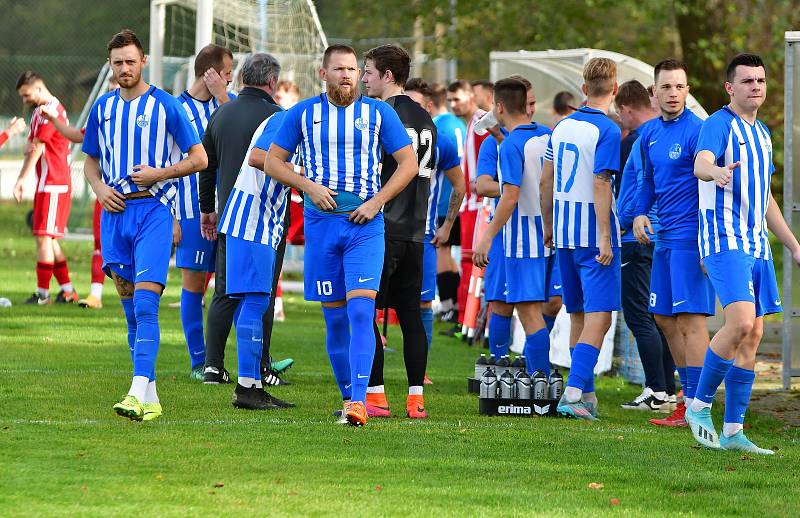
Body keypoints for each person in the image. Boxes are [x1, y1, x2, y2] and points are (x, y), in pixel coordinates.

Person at [264, 44, 416, 426]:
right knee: (334, 320)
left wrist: (377, 201)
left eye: (352, 69)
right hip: (321, 226)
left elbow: (408, 163)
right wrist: (308, 186)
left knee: (362, 310)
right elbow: (271, 161)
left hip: (365, 227)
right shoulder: (302, 113)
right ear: (323, 73)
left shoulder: (378, 112)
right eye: (340, 69)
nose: (347, 75)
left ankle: (360, 402)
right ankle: (348, 396)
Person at [82, 29, 207, 421]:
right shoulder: (102, 108)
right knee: (130, 312)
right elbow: (89, 160)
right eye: (117, 62)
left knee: (147, 304)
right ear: (110, 65)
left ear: (144, 62)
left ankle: (136, 389)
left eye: (130, 61)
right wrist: (100, 189)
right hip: (115, 215)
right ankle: (149, 396)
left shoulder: (167, 106)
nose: (124, 68)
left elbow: (199, 158)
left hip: (153, 211)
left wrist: (160, 173)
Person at [687, 53, 800, 454]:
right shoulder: (717, 125)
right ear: (729, 88)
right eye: (748, 80)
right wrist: (715, 172)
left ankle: (733, 431)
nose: (756, 86)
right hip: (723, 239)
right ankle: (698, 407)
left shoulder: (764, 134)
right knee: (739, 321)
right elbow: (701, 164)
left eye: (761, 80)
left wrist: (794, 245)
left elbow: (765, 198)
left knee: (753, 332)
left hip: (755, 244)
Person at [198, 53, 292, 387]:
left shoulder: (222, 112)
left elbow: (206, 165)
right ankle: (260, 368)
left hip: (228, 214)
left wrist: (207, 208)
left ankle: (212, 365)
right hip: (264, 216)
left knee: (224, 291)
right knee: (260, 293)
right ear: (272, 82)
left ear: (241, 79)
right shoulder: (279, 117)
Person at [632, 60, 715, 421]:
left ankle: (699, 404)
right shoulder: (648, 133)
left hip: (690, 239)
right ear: (654, 92)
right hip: (663, 237)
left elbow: (712, 188)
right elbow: (646, 181)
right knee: (663, 317)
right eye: (665, 87)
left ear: (688, 90)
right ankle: (685, 400)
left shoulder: (700, 131)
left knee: (691, 321)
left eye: (679, 87)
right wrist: (638, 213)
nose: (672, 93)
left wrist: (707, 240)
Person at [541, 57, 622, 420]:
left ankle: (585, 395)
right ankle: (573, 392)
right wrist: (606, 236)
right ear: (615, 90)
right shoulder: (607, 130)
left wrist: (547, 226)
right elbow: (601, 182)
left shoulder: (560, 127)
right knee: (600, 316)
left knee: (577, 314)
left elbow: (546, 181)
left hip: (564, 234)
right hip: (592, 233)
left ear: (584, 89)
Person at [360, 46, 438, 419]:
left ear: (388, 75)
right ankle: (415, 397)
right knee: (410, 316)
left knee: (365, 311)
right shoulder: (427, 119)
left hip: (384, 227)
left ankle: (375, 396)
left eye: (369, 72)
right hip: (415, 232)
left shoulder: (381, 114)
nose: (363, 79)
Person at [476, 76, 562, 360]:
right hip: (544, 234)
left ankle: (536, 381)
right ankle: (518, 370)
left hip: (524, 239)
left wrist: (486, 236)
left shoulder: (516, 143)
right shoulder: (543, 136)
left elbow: (510, 195)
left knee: (532, 312)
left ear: (499, 107)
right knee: (511, 305)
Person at [216, 111, 296, 410]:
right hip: (252, 218)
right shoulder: (289, 118)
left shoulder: (291, 119)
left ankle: (252, 384)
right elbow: (258, 156)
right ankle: (247, 388)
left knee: (253, 302)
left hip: (254, 218)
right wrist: (302, 175)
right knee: (256, 302)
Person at [613, 79, 679, 415]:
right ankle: (667, 388)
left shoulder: (642, 140)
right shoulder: (657, 136)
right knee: (660, 317)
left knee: (641, 316)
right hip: (656, 236)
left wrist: (624, 220)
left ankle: (657, 388)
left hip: (637, 238)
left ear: (626, 109)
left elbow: (640, 189)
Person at [175, 44, 234, 381]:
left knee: (232, 287)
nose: (229, 80)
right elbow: (165, 164)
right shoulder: (176, 109)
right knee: (195, 285)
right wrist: (171, 216)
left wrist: (223, 94)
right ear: (210, 72)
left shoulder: (227, 104)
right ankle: (199, 362)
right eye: (226, 73)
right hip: (189, 211)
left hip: (227, 211)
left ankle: (256, 361)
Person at [36, 76, 119, 310]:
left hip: (136, 196)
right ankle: (95, 295)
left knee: (131, 249)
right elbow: (77, 135)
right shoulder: (103, 115)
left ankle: (138, 296)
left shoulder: (142, 116)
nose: (113, 91)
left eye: (116, 88)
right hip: (105, 192)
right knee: (100, 244)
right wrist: (53, 119)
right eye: (111, 87)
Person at [404, 77, 464, 359]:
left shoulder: (440, 143)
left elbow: (460, 185)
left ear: (428, 107)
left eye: (417, 105)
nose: (410, 111)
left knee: (424, 302)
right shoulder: (386, 137)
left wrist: (448, 225)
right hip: (385, 232)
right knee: (370, 302)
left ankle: (420, 368)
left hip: (423, 236)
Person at [13, 71, 77, 305]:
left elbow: (38, 148)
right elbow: (31, 147)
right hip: (46, 183)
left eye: (26, 94)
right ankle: (68, 291)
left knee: (43, 238)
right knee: (48, 239)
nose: (24, 100)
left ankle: (43, 295)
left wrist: (21, 179)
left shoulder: (53, 111)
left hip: (55, 183)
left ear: (38, 89)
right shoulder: (40, 112)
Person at [447, 80, 489, 334]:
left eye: (458, 99)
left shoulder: (482, 122)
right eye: (450, 100)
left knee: (472, 263)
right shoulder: (471, 123)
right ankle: (464, 317)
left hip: (479, 206)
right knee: (465, 262)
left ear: (472, 96)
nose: (454, 105)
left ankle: (470, 319)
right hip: (470, 205)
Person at [430, 82, 465, 323]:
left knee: (441, 249)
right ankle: (454, 304)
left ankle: (447, 305)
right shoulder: (459, 124)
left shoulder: (437, 128)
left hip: (444, 200)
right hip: (461, 198)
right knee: (449, 252)